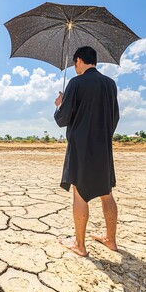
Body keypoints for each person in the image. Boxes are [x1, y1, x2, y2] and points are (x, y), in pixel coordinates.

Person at [54, 46, 120, 257]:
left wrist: (59, 104)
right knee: (106, 193)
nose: (75, 68)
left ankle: (80, 245)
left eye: (75, 65)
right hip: (103, 146)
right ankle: (111, 240)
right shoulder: (110, 84)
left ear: (79, 60)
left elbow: (62, 119)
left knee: (80, 192)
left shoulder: (77, 82)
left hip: (81, 147)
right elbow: (115, 117)